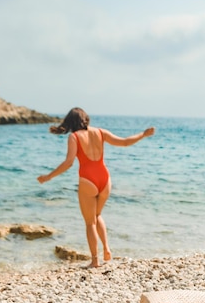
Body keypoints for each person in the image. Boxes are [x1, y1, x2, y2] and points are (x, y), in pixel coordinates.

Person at [37, 107, 155, 268]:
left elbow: (69, 162)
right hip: (105, 179)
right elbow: (125, 142)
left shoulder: (74, 137)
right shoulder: (100, 132)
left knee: (89, 222)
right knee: (97, 214)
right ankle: (106, 249)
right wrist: (143, 134)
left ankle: (95, 260)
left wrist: (48, 176)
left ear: (70, 121)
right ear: (86, 118)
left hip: (88, 180)